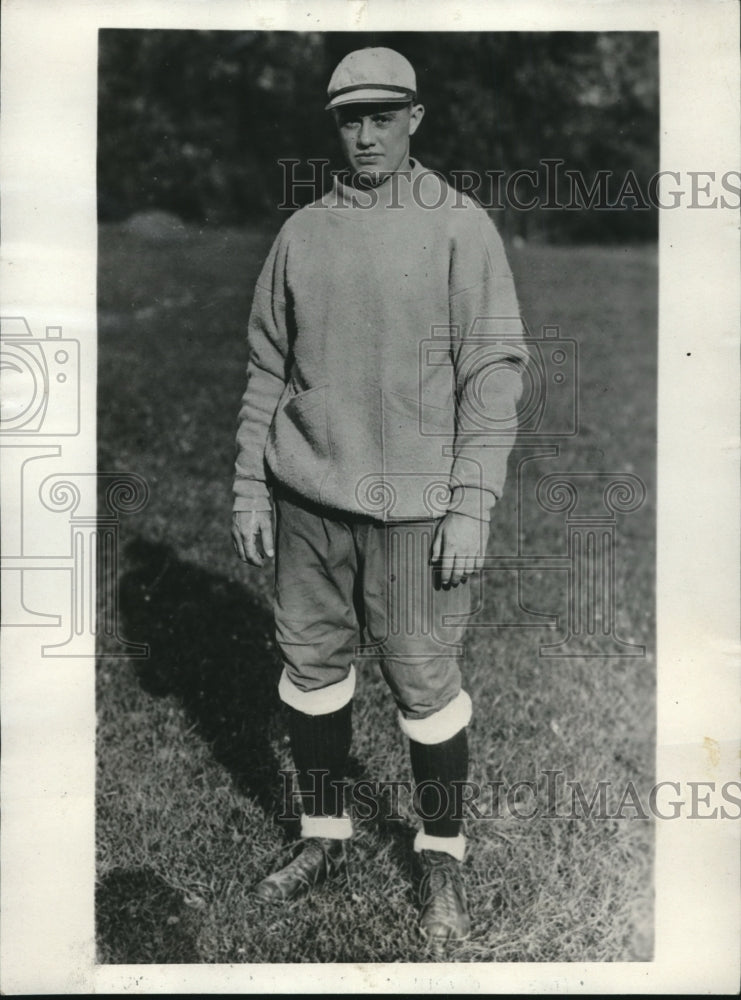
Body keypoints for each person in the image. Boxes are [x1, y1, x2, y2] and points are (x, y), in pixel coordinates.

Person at [231, 46, 528, 953]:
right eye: (350, 120)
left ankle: (440, 859)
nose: (366, 135)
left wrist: (471, 502)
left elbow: (494, 369)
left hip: (415, 510)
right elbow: (265, 367)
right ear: (336, 127)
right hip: (308, 499)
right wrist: (250, 482)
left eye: (382, 117)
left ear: (415, 119)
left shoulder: (458, 227)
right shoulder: (303, 232)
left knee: (423, 682)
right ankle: (323, 836)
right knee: (310, 671)